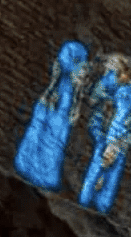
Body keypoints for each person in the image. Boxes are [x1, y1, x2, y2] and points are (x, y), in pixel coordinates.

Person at [14, 40, 87, 189]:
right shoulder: (62, 79)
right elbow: (53, 89)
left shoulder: (73, 85)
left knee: (53, 143)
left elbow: (75, 98)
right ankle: (31, 168)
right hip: (55, 109)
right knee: (43, 138)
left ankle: (42, 174)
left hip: (61, 113)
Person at [79, 54, 131, 213]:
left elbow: (123, 118)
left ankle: (98, 204)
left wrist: (114, 143)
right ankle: (89, 201)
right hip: (106, 133)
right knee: (99, 170)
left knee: (107, 172)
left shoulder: (129, 92)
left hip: (115, 137)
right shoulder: (115, 83)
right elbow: (95, 98)